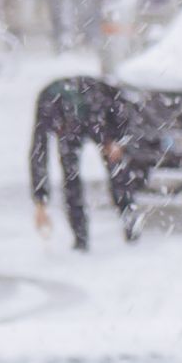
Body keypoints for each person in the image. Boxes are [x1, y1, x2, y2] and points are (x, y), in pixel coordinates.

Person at [28, 71, 155, 252]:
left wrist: (116, 142)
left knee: (117, 172)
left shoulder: (98, 100)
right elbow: (38, 152)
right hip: (75, 117)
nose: (58, 134)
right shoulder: (47, 106)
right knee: (70, 179)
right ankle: (80, 239)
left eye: (61, 130)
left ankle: (130, 223)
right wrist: (40, 201)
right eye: (57, 131)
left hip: (104, 119)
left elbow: (123, 120)